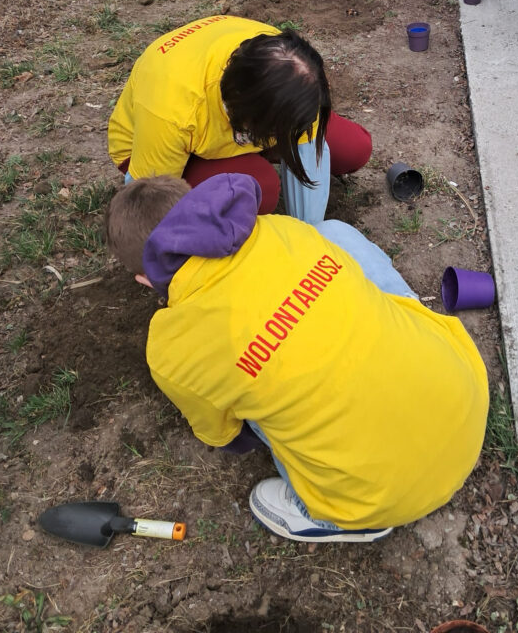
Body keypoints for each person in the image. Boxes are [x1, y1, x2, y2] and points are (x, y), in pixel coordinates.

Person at [105, 172, 489, 543]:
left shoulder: (171, 348)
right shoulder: (280, 230)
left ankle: (341, 520)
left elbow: (227, 436)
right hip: (465, 397)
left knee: (242, 399)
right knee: (332, 235)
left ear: (143, 279)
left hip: (385, 496)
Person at [107, 15, 371, 224]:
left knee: (353, 148)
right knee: (259, 188)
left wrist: (311, 235)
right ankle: (241, 165)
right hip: (159, 150)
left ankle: (250, 153)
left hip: (253, 115)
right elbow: (147, 199)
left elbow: (307, 145)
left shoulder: (292, 68)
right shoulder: (171, 108)